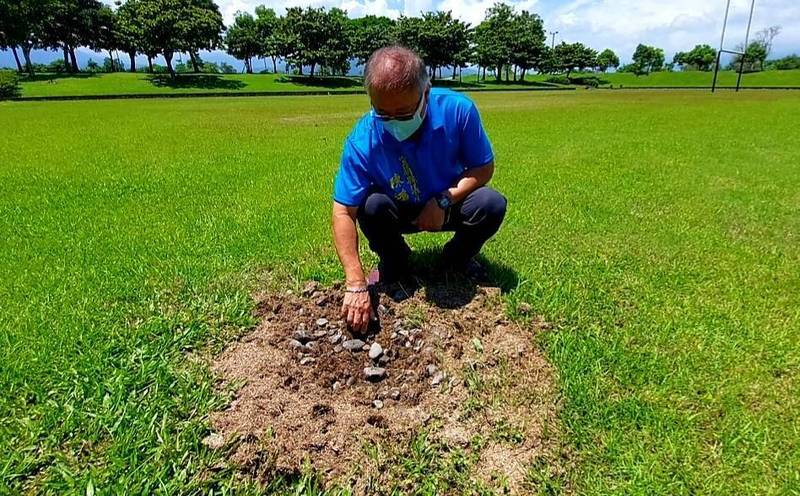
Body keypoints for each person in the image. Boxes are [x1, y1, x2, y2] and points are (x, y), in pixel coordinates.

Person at [331, 46, 507, 332]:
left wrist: (443, 201)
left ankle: (454, 260)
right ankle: (396, 263)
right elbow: (342, 211)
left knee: (491, 204)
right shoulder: (363, 139)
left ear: (426, 93)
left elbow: (483, 168)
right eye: (383, 113)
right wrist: (354, 282)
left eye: (403, 112)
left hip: (448, 202)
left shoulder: (458, 111)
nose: (394, 123)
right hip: (399, 209)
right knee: (371, 206)